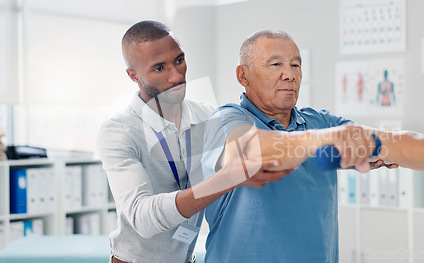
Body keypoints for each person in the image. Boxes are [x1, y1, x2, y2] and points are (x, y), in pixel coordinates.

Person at [201, 29, 424, 262]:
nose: (289, 73)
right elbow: (251, 152)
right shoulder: (227, 119)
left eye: (295, 64)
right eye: (275, 64)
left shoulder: (319, 121)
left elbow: (393, 143)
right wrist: (331, 139)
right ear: (243, 75)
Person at [96, 21, 290, 263]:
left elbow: (248, 151)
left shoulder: (207, 115)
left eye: (179, 60)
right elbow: (141, 217)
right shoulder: (119, 130)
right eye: (159, 68)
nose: (177, 77)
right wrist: (227, 179)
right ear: (133, 75)